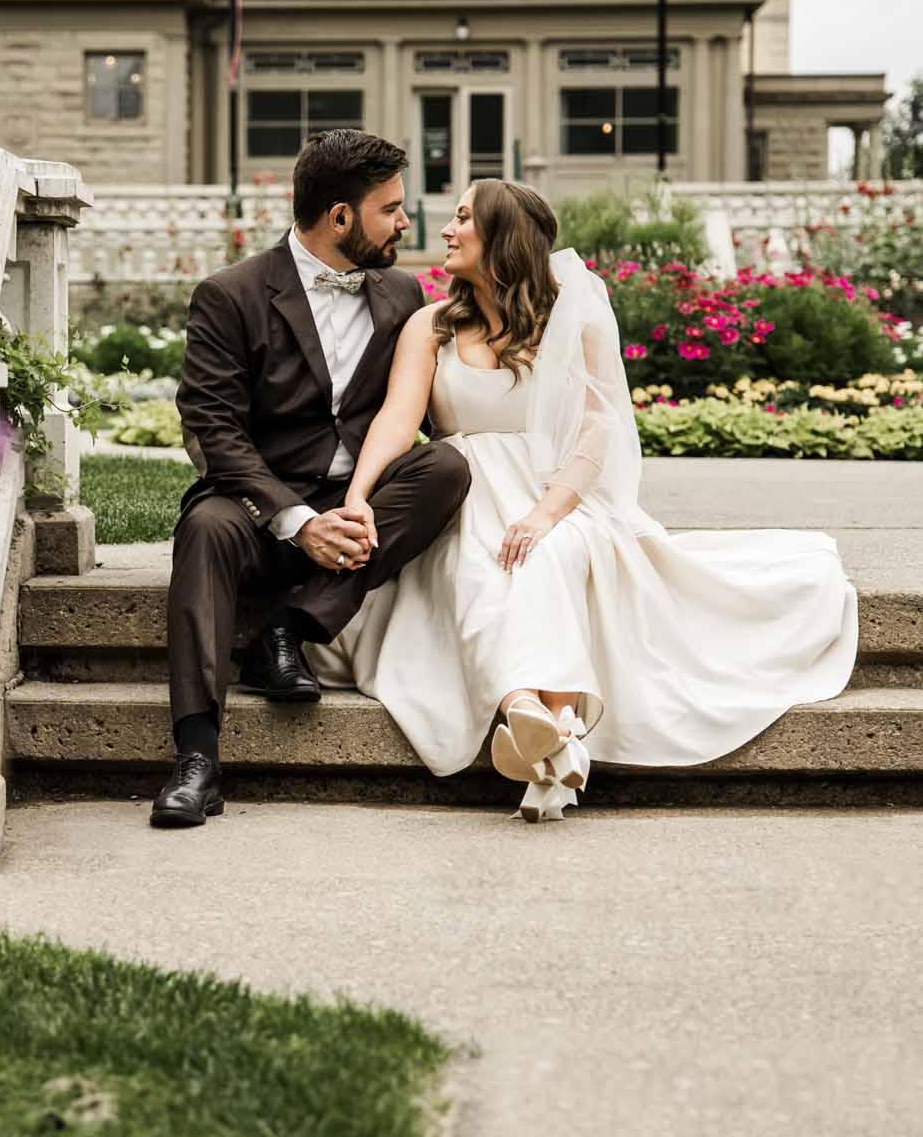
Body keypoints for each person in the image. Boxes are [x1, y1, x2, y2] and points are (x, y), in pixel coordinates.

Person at [310, 179, 858, 820]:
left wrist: (547, 513)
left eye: (463, 218)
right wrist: (358, 496)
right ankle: (543, 725)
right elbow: (398, 421)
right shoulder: (431, 325)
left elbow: (597, 431)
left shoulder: (570, 317)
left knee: (554, 555)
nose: (447, 229)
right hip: (460, 488)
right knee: (478, 565)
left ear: (502, 237)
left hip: (555, 490)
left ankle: (543, 724)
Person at [151, 128, 472, 828]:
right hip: (255, 505)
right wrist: (298, 520)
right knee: (203, 531)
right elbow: (212, 433)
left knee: (446, 467)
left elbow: (410, 414)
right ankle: (197, 759)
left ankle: (288, 630)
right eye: (390, 209)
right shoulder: (229, 294)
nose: (404, 222)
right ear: (339, 217)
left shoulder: (400, 292)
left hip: (355, 502)